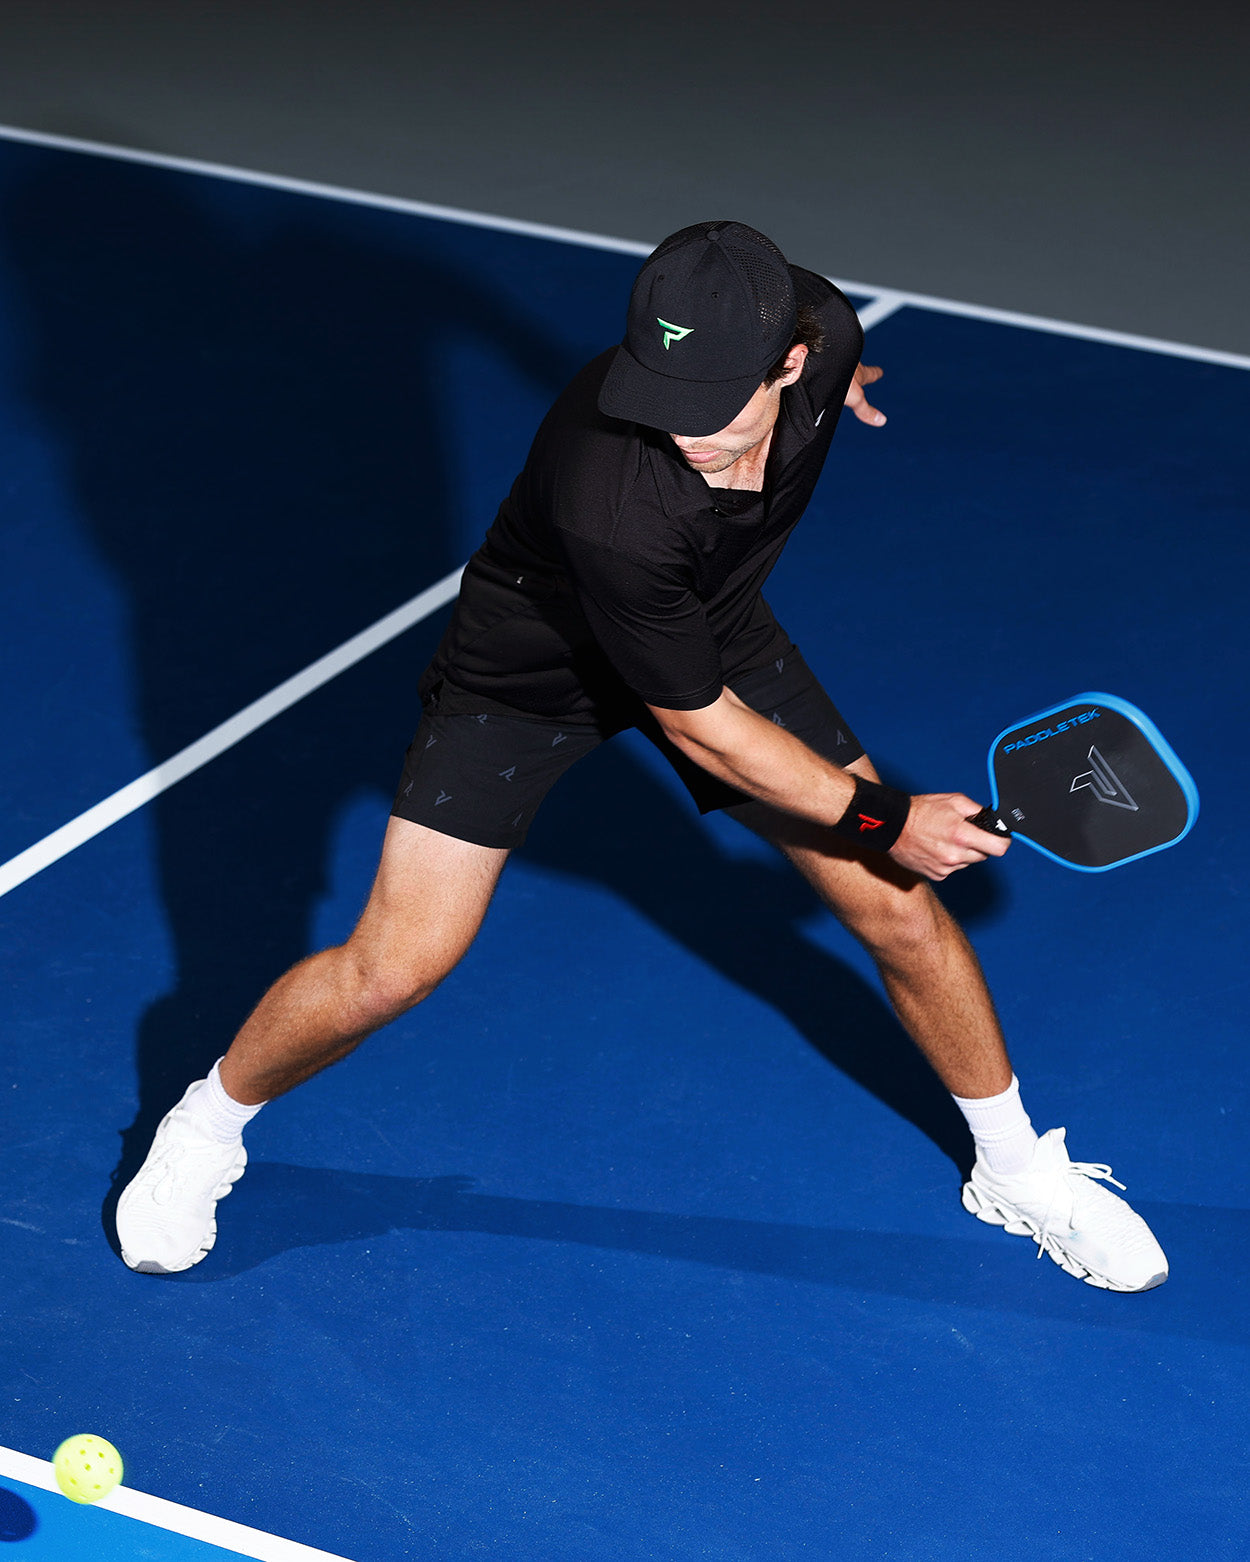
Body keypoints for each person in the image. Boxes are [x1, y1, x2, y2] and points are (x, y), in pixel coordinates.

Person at [115, 221, 1167, 1292]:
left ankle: (1013, 1166)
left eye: (707, 406)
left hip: (715, 634)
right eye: (657, 397)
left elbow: (810, 317)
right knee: (396, 966)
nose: (681, 433)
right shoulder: (615, 497)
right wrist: (882, 819)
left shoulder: (824, 338)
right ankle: (204, 1124)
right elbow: (703, 726)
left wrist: (843, 378)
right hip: (525, 681)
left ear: (791, 362)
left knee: (896, 908)